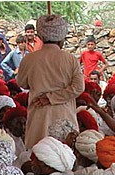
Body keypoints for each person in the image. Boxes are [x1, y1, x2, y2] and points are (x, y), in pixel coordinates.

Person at [17, 14, 84, 149]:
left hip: (39, 116)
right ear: (62, 40)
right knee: (65, 156)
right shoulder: (70, 59)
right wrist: (53, 97)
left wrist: (48, 96)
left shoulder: (29, 59)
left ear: (40, 37)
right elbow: (78, 87)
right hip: (64, 115)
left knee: (38, 156)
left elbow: (22, 83)